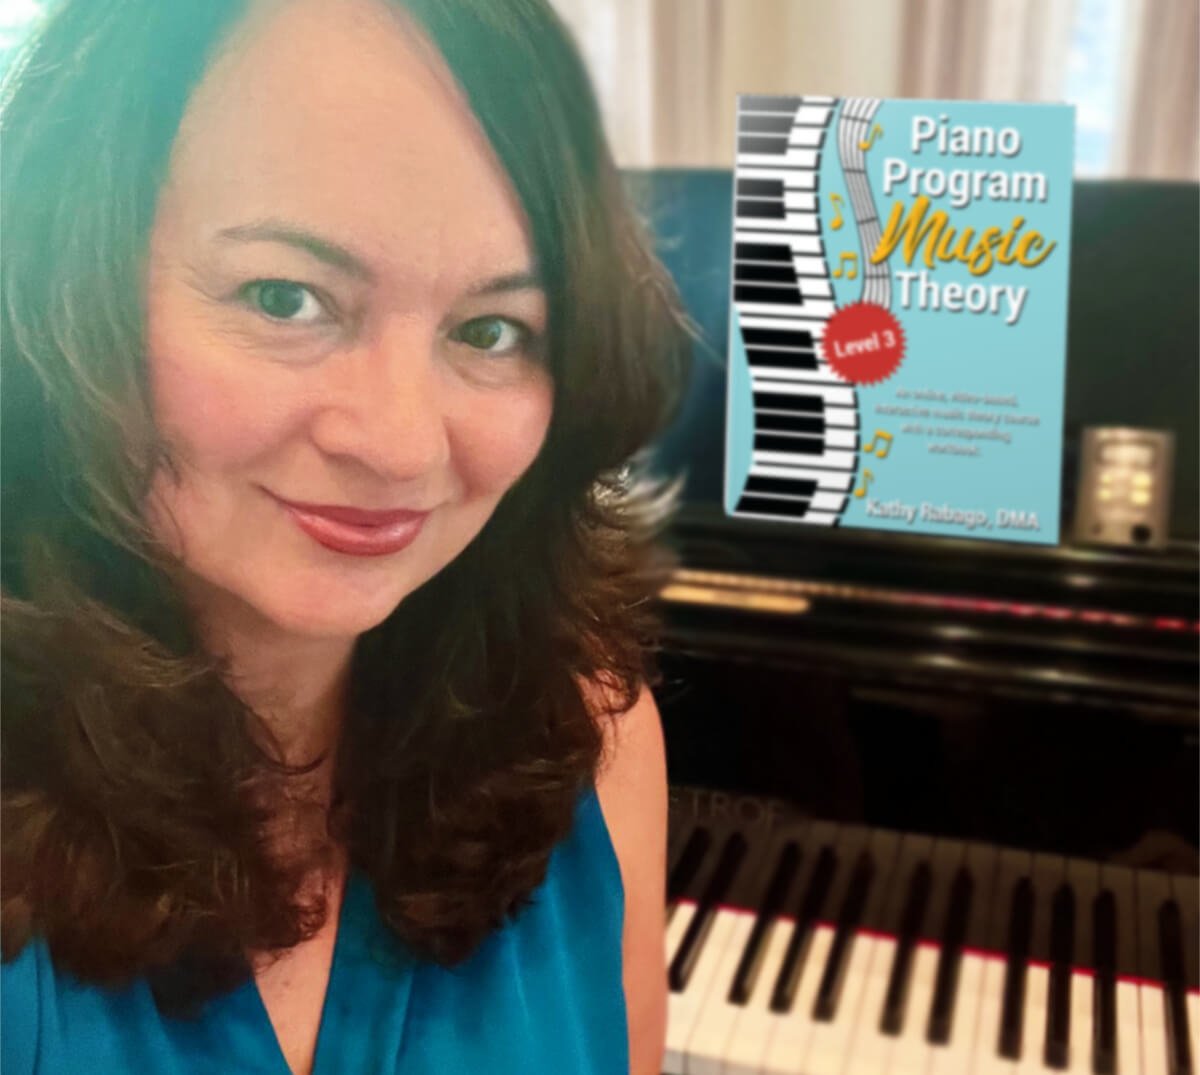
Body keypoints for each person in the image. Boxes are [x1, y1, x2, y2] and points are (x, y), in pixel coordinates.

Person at [0, 0, 691, 1072]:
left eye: (491, 330)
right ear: (65, 289)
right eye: (287, 297)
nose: (402, 443)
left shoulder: (596, 736)